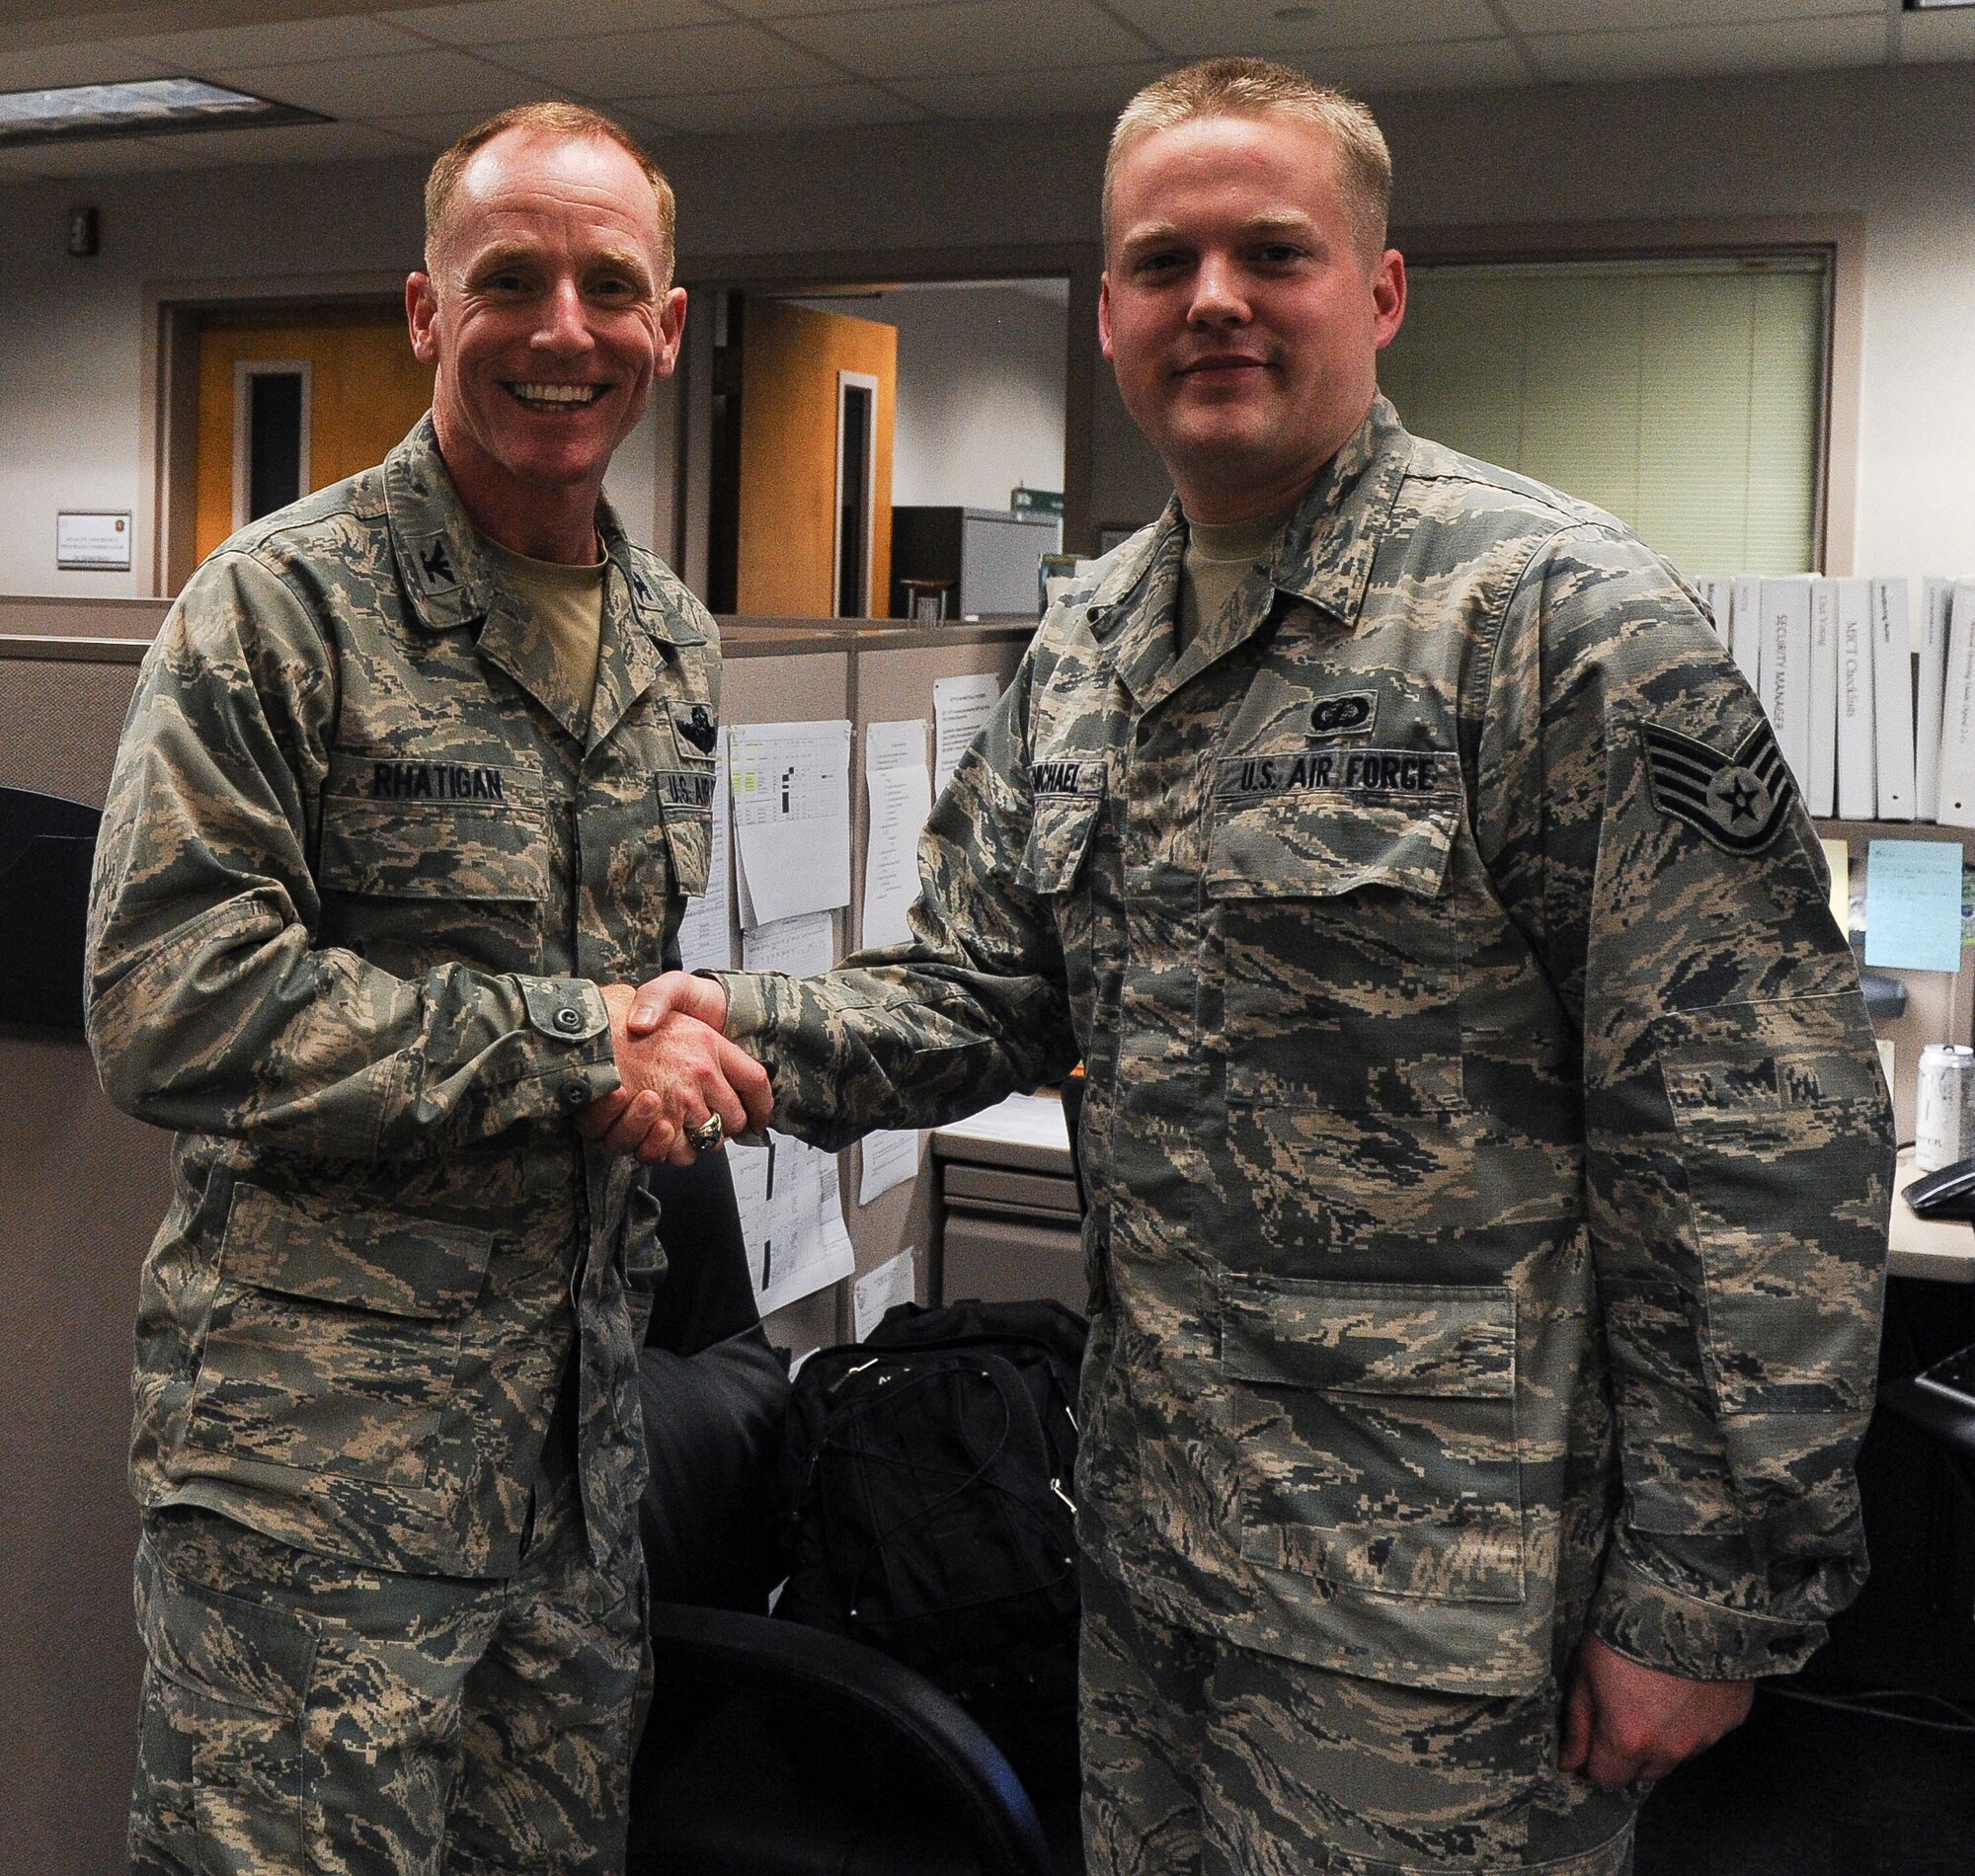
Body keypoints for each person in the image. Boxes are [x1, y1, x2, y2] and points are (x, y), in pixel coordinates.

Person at [598, 56, 1893, 1876]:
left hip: (1443, 1615)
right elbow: (978, 993)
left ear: (1378, 291)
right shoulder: (1088, 648)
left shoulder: (1553, 621)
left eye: (1270, 253)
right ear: (1112, 310)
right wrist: (742, 1022)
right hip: (1145, 1559)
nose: (1213, 299)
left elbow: (1759, 1137)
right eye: (1162, 261)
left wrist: (1701, 1594)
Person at [86, 101, 768, 1874]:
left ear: (668, 326)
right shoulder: (279, 610)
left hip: (573, 1468)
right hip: (316, 1488)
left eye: (610, 285)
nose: (564, 329)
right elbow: (165, 995)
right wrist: (571, 1043)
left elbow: (626, 993)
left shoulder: (675, 643)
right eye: (509, 280)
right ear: (424, 312)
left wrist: (654, 1049)